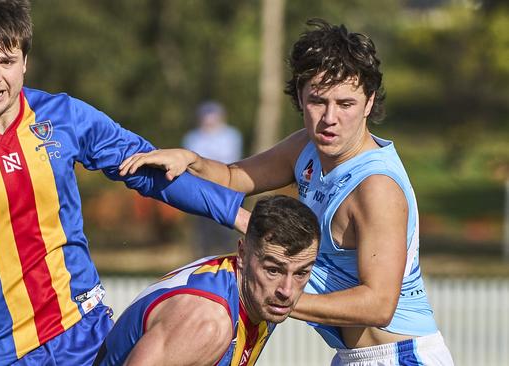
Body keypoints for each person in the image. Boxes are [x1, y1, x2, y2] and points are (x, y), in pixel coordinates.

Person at [0, 1, 248, 365]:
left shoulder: (63, 117)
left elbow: (150, 170)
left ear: (25, 62)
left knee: (201, 321)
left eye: (7, 61)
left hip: (85, 332)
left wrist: (238, 216)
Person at [119, 19, 454, 365]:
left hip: (400, 357)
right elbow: (235, 177)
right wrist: (189, 160)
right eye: (317, 101)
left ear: (368, 103)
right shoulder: (306, 147)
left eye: (346, 104)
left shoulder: (376, 188)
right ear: (299, 96)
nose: (329, 118)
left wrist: (275, 298)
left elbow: (379, 305)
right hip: (354, 357)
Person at [93, 195, 320, 366]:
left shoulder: (257, 293)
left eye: (301, 273)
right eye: (273, 270)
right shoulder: (209, 325)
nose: (287, 290)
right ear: (242, 254)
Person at [182, 101, 243, 256]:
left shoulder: (231, 135)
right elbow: (191, 164)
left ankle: (234, 260)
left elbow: (230, 160)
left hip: (226, 191)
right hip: (200, 191)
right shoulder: (193, 137)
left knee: (228, 231)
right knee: (203, 235)